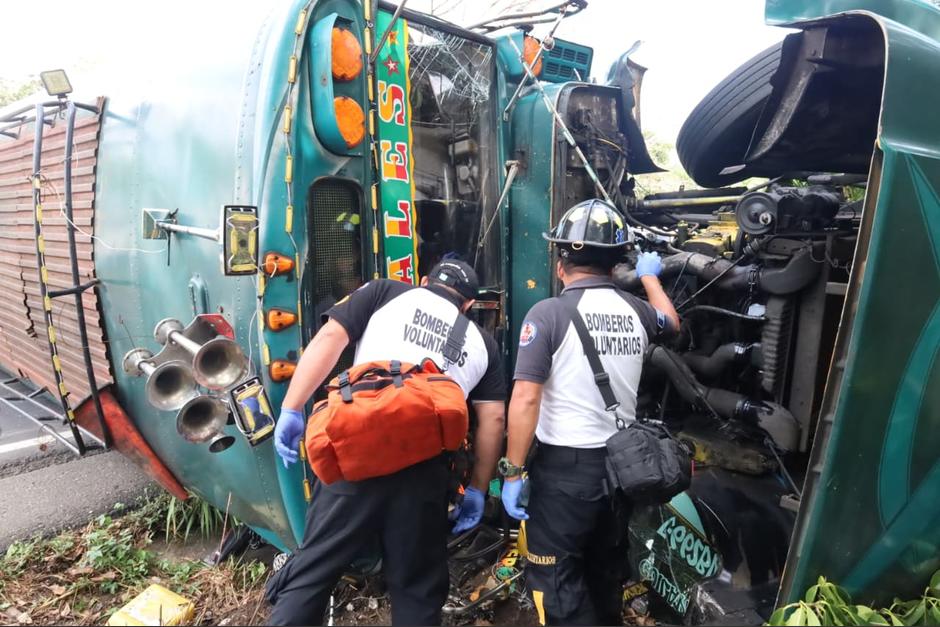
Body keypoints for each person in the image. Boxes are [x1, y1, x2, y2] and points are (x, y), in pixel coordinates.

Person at [265, 260, 506, 626]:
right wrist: (477, 487)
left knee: (313, 571)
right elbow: (494, 421)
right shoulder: (483, 344)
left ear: (423, 282)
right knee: (417, 587)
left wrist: (293, 406)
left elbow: (331, 338)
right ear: (468, 305)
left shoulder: (385, 291)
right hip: (426, 467)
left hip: (355, 446)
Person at [499, 199, 679, 626]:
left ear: (562, 265)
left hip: (565, 474)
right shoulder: (637, 312)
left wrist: (512, 472)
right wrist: (651, 279)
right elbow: (672, 323)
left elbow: (525, 397)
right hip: (621, 471)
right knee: (605, 573)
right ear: (616, 266)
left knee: (556, 579)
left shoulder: (550, 313)